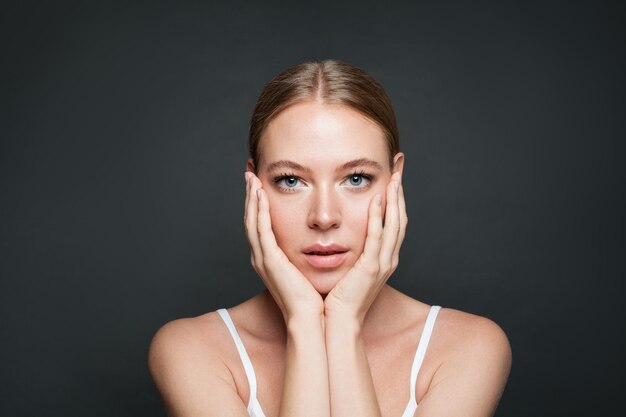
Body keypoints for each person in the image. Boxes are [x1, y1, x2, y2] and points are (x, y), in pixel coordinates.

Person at [148, 60, 512, 417]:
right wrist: (305, 322)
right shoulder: (191, 350)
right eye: (291, 180)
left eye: (356, 178)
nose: (323, 217)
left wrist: (344, 321)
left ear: (395, 179)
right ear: (254, 185)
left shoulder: (468, 347)